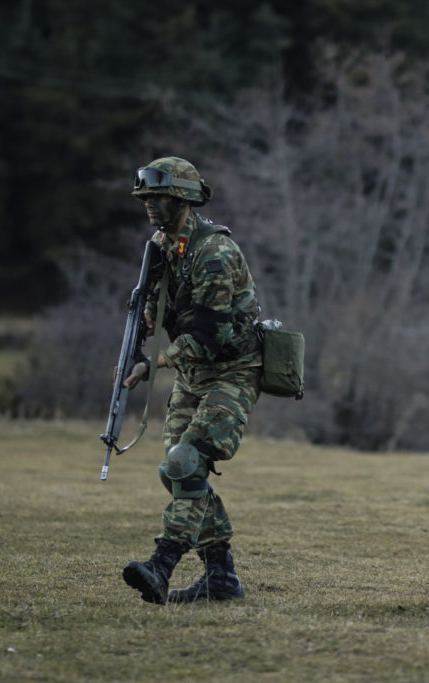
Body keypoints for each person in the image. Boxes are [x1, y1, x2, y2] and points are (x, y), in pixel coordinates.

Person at [120, 156, 263, 604]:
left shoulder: (215, 253)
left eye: (157, 197)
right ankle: (221, 580)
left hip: (232, 370)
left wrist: (153, 364)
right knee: (179, 474)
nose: (149, 205)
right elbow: (162, 304)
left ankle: (161, 565)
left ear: (181, 198)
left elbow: (209, 335)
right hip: (193, 372)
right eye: (145, 197)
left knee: (187, 461)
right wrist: (144, 319)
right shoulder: (161, 247)